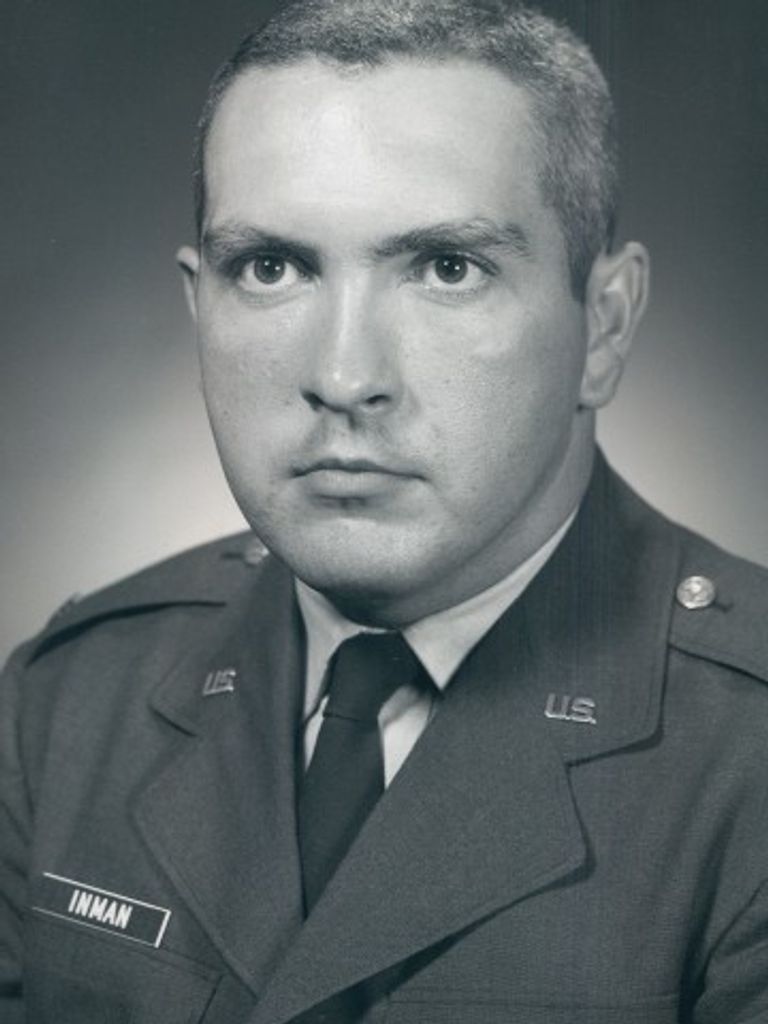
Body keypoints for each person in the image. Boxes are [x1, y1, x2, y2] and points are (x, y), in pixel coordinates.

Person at [2, 1, 767, 1021]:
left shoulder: (749, 755)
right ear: (199, 309)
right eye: (271, 268)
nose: (343, 375)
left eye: (448, 268)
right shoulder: (65, 706)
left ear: (604, 326)